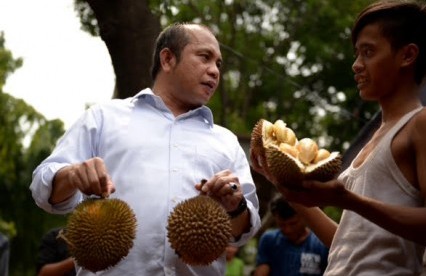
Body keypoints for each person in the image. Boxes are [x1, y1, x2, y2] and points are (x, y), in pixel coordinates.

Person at [30, 22, 261, 275]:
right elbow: (43, 188)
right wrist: (72, 175)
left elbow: (242, 232)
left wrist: (235, 205)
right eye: (205, 57)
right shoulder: (104, 118)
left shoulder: (226, 141)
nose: (215, 71)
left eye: (218, 64)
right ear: (168, 59)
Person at [251, 1, 426, 275]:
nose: (356, 65)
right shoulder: (374, 139)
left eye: (368, 52)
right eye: (357, 54)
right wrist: (284, 184)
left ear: (407, 55)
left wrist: (346, 199)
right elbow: (347, 244)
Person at [254, 194, 329, 276]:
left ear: (304, 217)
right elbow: (262, 271)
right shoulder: (270, 240)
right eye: (282, 225)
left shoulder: (321, 243)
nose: (288, 230)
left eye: (293, 224)